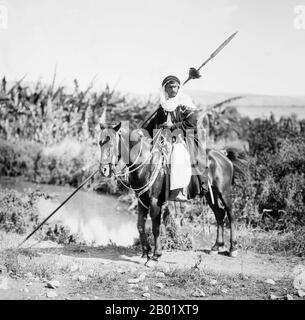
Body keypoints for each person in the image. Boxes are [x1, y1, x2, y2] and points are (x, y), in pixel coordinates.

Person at [143, 75, 203, 201]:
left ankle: (180, 190)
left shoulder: (185, 103)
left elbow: (191, 124)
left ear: (178, 88)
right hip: (163, 139)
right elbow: (152, 125)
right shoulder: (164, 106)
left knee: (178, 152)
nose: (173, 90)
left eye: (175, 87)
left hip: (182, 138)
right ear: (165, 89)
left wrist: (172, 126)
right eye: (170, 87)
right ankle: (145, 185)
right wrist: (142, 132)